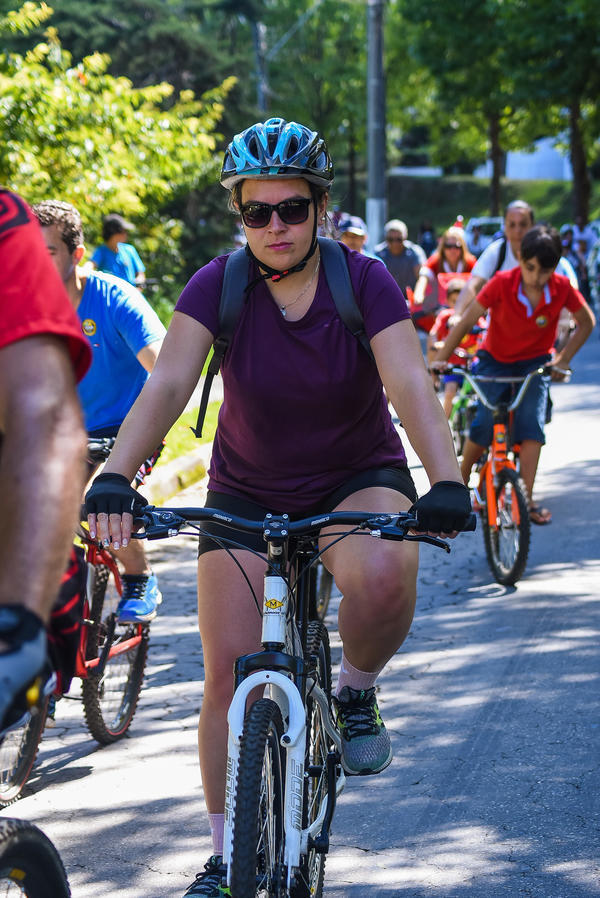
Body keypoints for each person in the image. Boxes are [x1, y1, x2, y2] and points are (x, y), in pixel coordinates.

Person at [83, 117, 472, 897]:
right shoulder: (215, 285)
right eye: (256, 212)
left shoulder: (363, 281)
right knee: (228, 676)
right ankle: (227, 858)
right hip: (247, 485)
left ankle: (355, 693)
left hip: (353, 475)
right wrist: (117, 475)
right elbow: (165, 385)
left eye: (290, 209)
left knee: (387, 577)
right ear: (240, 215)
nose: (275, 227)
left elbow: (407, 382)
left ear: (319, 208)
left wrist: (446, 478)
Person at [33, 200, 166, 624]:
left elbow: (163, 369)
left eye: (46, 252)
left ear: (76, 255)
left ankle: (139, 576)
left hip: (127, 427)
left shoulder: (114, 298)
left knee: (96, 498)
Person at [0, 189, 91, 732]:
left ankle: (136, 578)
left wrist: (17, 622)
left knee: (109, 511)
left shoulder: (6, 225)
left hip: (101, 426)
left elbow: (48, 419)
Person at [433, 224, 595, 525]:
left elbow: (587, 322)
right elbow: (466, 321)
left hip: (535, 364)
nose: (537, 277)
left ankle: (527, 498)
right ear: (521, 259)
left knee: (532, 427)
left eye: (545, 271)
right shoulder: (502, 282)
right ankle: (463, 478)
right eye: (531, 268)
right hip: (494, 361)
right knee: (483, 424)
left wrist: (562, 360)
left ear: (555, 267)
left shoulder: (562, 287)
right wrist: (440, 360)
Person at [454, 201, 578, 315]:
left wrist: (567, 320)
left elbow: (570, 292)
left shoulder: (547, 254)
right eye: (512, 225)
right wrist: (457, 315)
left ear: (532, 226)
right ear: (505, 227)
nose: (517, 230)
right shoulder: (497, 252)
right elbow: (473, 284)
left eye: (523, 224)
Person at [426, 277, 485, 417]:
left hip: (473, 363)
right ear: (447, 301)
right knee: (450, 392)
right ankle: (445, 426)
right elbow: (433, 333)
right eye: (454, 301)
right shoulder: (446, 317)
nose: (460, 306)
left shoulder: (475, 318)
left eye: (463, 301)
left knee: (483, 392)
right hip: (453, 364)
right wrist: (436, 344)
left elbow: (485, 331)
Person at [412, 226, 477, 313]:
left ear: (462, 248)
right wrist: (419, 294)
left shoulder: (470, 262)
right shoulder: (436, 261)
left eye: (456, 246)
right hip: (440, 309)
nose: (452, 250)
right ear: (443, 247)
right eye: (448, 246)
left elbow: (480, 280)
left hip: (466, 308)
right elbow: (423, 277)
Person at [91, 212, 146, 288]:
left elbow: (140, 274)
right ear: (113, 233)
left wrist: (139, 284)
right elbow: (89, 266)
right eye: (123, 231)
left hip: (130, 294)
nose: (126, 234)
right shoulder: (101, 251)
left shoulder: (129, 250)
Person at [376, 218, 425, 294]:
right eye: (390, 239)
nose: (395, 243)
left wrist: (418, 294)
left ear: (405, 238)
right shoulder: (378, 253)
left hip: (410, 299)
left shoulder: (415, 252)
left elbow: (422, 276)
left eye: (399, 239)